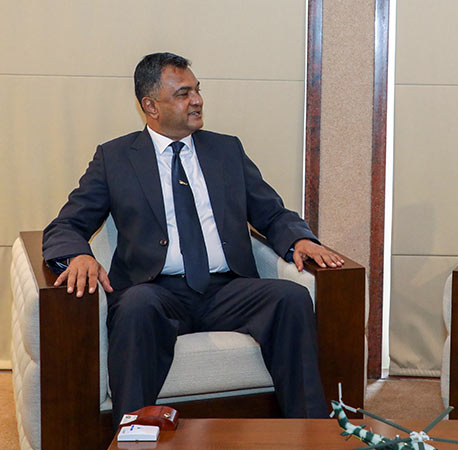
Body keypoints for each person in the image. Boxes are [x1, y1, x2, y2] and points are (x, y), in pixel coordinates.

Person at [42, 52, 344, 426]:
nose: (197, 100)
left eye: (197, 90)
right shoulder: (116, 158)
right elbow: (66, 224)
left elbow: (271, 212)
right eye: (184, 93)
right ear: (150, 106)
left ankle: (310, 432)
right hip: (154, 292)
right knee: (135, 308)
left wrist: (298, 238)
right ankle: (132, 435)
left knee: (291, 297)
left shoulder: (226, 150)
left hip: (226, 291)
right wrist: (78, 256)